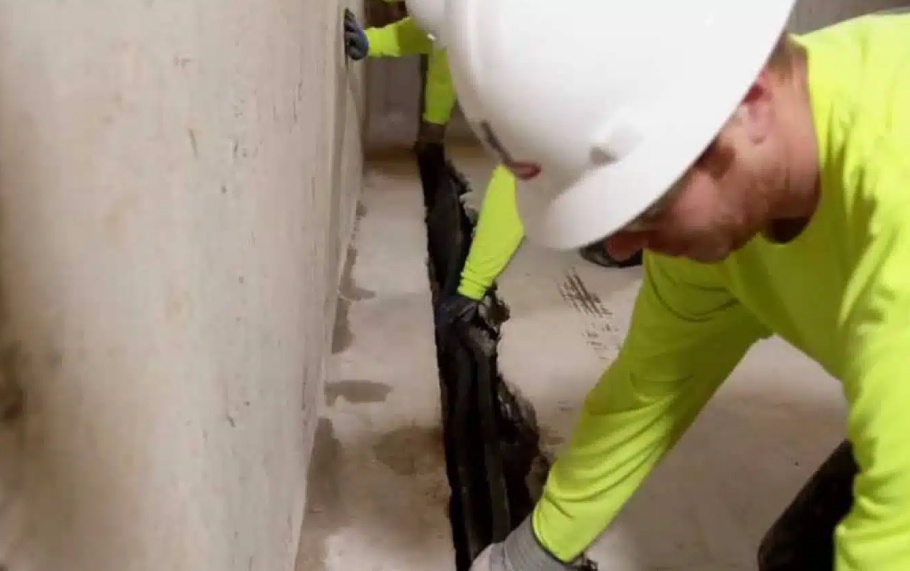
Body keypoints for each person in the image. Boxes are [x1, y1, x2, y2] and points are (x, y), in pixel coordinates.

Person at [438, 0, 910, 569]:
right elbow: (649, 391)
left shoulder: (893, 193)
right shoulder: (719, 227)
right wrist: (528, 554)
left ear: (752, 103)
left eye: (646, 204)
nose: (619, 249)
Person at [343, 6, 640, 330]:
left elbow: (522, 179)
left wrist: (472, 285)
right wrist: (375, 42)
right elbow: (439, 31)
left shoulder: (545, 61)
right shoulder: (476, 17)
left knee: (629, 179)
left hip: (638, 99)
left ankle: (629, 225)